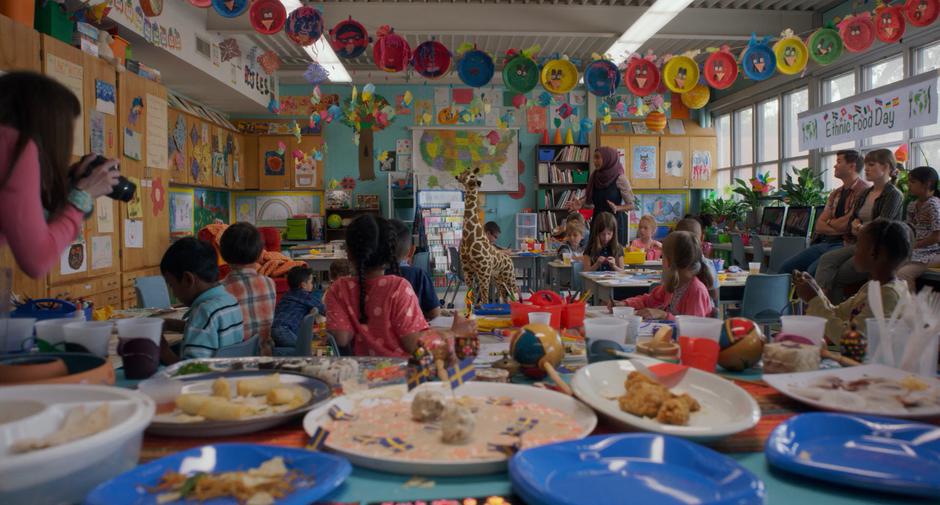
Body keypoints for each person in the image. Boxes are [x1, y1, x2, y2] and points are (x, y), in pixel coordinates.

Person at [0, 72, 121, 278]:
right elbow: (37, 261)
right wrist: (82, 197)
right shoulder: (16, 146)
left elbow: (26, 225)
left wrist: (70, 190)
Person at [324, 214, 474, 359]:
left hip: (356, 376)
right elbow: (415, 345)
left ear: (349, 253)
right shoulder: (398, 287)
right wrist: (453, 334)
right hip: (399, 377)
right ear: (391, 253)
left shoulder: (338, 289)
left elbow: (341, 338)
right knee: (466, 358)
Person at [795, 219, 911, 345]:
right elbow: (837, 313)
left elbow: (850, 341)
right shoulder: (872, 287)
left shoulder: (888, 296)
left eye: (858, 245)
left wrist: (813, 299)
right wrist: (816, 291)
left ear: (873, 252)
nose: (854, 251)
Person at [815, 149, 904, 303]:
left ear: (886, 167)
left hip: (879, 249)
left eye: (871, 165)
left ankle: (830, 315)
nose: (866, 168)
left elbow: (882, 225)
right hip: (861, 243)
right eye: (867, 165)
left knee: (837, 276)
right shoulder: (866, 193)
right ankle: (821, 307)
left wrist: (861, 228)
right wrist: (856, 226)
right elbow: (852, 220)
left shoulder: (894, 194)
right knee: (826, 259)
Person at [779, 150, 870, 276]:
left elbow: (847, 224)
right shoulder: (835, 193)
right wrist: (837, 225)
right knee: (786, 268)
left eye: (839, 162)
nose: (834, 165)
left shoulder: (864, 191)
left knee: (811, 273)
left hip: (845, 244)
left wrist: (829, 222)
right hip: (826, 242)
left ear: (851, 166)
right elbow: (819, 225)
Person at [158, 238, 244, 364]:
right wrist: (173, 324)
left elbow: (190, 371)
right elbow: (211, 332)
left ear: (188, 279)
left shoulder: (203, 312)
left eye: (171, 285)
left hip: (205, 380)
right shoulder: (230, 300)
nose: (174, 293)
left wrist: (161, 348)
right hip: (228, 375)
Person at [610, 231, 715, 320]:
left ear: (671, 261)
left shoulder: (697, 291)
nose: (662, 262)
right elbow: (649, 300)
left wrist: (664, 315)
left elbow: (693, 328)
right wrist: (625, 304)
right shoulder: (674, 284)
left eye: (663, 257)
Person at [219, 222, 277, 356]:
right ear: (259, 254)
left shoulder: (220, 290)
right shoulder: (269, 283)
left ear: (223, 254)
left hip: (235, 365)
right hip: (266, 358)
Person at [388, 219, 441, 322]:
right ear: (410, 251)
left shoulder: (374, 276)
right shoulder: (419, 274)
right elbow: (435, 313)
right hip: (415, 333)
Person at [897, 166, 940, 290]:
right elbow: (909, 228)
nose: (909, 185)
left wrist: (915, 244)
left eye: (913, 182)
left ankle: (911, 308)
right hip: (918, 250)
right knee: (890, 266)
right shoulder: (912, 205)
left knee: (903, 274)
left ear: (928, 184)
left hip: (933, 252)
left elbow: (937, 237)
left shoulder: (934, 205)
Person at [565, 147, 635, 220]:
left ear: (608, 159)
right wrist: (581, 204)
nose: (594, 161)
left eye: (597, 158)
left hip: (613, 224)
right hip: (597, 222)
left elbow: (632, 205)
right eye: (594, 158)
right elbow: (592, 203)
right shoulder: (595, 177)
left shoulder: (620, 178)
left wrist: (617, 208)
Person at [271, 265, 325, 353]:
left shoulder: (287, 294)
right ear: (303, 285)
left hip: (274, 330)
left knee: (296, 349)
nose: (312, 284)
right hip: (285, 331)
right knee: (304, 350)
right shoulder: (304, 296)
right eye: (311, 282)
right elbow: (323, 309)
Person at [675, 218, 718, 303]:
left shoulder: (673, 264)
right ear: (702, 238)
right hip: (703, 313)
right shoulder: (708, 264)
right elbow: (715, 295)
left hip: (680, 314)